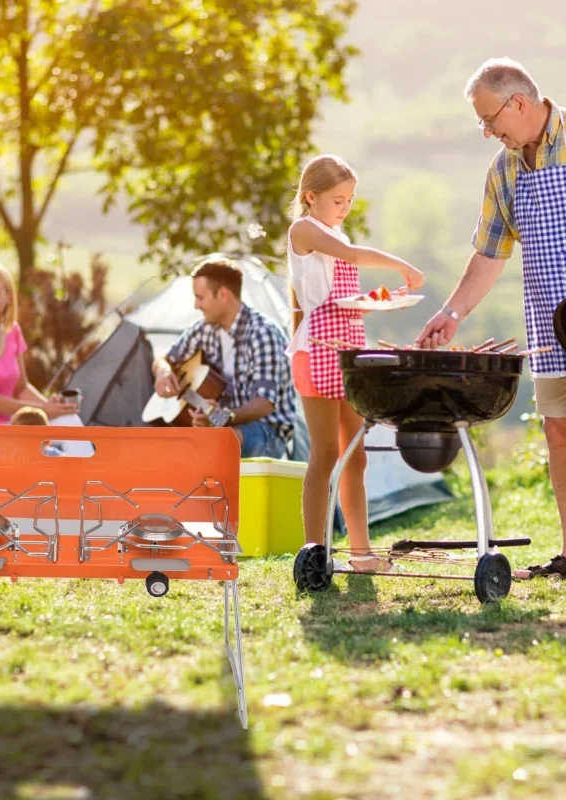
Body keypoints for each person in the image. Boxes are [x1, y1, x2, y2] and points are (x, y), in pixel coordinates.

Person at [415, 58, 566, 580]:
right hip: (551, 326)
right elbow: (489, 255)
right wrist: (451, 312)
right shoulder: (504, 170)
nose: (486, 133)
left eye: (488, 120)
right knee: (559, 432)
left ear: (518, 103)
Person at [287, 154, 424, 571]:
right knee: (325, 453)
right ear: (311, 196)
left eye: (349, 201)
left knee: (356, 455)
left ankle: (361, 553)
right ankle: (314, 552)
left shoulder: (332, 230)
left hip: (349, 351)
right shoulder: (305, 229)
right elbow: (349, 253)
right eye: (337, 200)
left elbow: (345, 294)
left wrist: (376, 305)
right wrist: (401, 265)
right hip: (317, 352)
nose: (344, 208)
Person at [151, 256, 296, 459]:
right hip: (222, 425)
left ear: (223, 294)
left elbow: (265, 403)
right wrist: (164, 371)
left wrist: (224, 416)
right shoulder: (204, 329)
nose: (196, 305)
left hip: (266, 431)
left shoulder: (263, 332)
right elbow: (164, 358)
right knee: (178, 446)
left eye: (200, 297)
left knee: (218, 443)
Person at [0, 263, 77, 424]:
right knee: (64, 423)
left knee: (69, 418)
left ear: (9, 297)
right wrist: (41, 410)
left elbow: (21, 388)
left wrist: (48, 406)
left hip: (12, 421)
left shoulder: (13, 331)